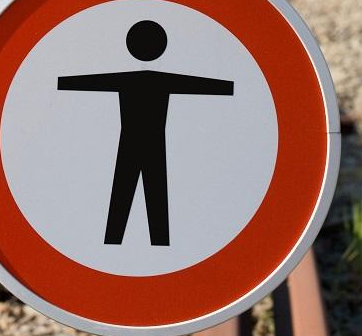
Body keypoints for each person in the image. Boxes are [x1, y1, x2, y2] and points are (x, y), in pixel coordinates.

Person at [58, 19, 233, 246]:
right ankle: (149, 242)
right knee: (152, 192)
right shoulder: (163, 80)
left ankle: (117, 242)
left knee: (128, 191)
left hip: (132, 143)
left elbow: (81, 82)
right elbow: (210, 85)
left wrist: (61, 81)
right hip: (151, 144)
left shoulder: (126, 79)